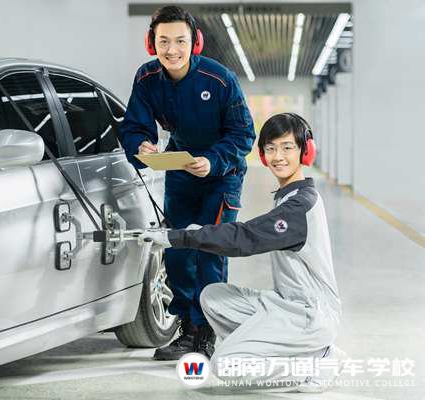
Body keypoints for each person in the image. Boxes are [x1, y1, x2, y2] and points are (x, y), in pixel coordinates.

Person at [141, 113, 343, 392]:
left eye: (287, 147)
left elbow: (245, 238)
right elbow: (250, 232)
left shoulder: (299, 206)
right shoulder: (290, 195)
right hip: (287, 305)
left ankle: (317, 363)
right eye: (271, 148)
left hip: (310, 315)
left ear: (305, 151)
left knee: (225, 366)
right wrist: (197, 231)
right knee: (212, 296)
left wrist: (177, 237)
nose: (278, 156)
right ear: (262, 155)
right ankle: (280, 349)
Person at [119, 5, 255, 360]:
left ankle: (207, 330)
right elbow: (134, 126)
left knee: (209, 250)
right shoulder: (147, 78)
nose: (172, 50)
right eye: (163, 41)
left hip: (222, 174)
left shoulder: (220, 80)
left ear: (195, 42)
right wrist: (141, 145)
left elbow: (243, 134)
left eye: (180, 41)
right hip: (180, 169)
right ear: (152, 43)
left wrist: (213, 161)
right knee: (177, 250)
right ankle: (187, 329)